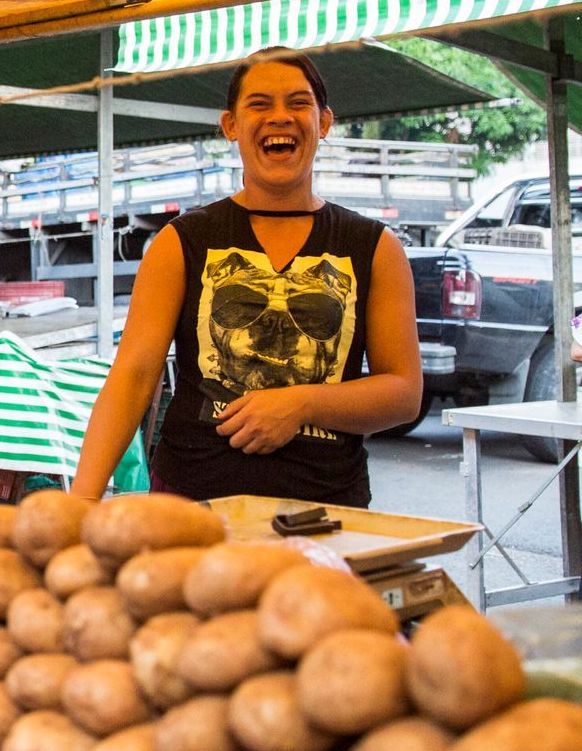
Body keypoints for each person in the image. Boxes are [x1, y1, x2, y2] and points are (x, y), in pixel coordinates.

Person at [70, 48, 422, 507]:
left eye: (298, 103)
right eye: (259, 104)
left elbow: (403, 392)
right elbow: (134, 376)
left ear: (324, 123)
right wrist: (79, 502)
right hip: (191, 507)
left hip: (325, 510)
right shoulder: (182, 242)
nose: (281, 117)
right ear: (231, 125)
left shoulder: (373, 247)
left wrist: (300, 404)